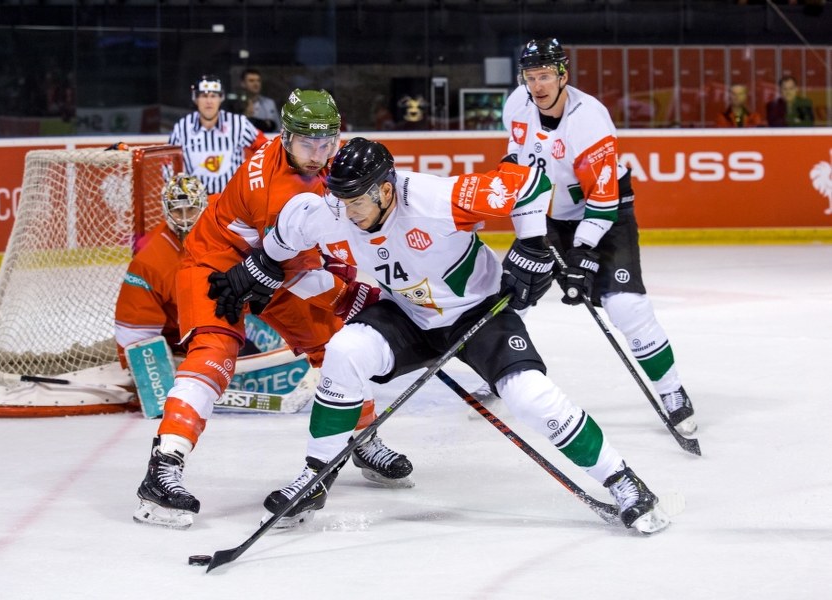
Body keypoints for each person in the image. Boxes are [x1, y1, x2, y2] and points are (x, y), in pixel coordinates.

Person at [216, 137, 670, 533]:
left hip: (478, 312)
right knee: (345, 350)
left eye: (357, 202)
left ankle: (621, 479)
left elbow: (529, 180)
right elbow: (288, 231)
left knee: (531, 397)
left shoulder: (435, 198)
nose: (348, 214)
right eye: (341, 201)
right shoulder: (336, 208)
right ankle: (315, 476)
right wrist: (254, 270)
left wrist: (531, 244)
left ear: (387, 190)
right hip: (408, 314)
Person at [134, 90, 414, 530]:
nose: (319, 155)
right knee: (214, 352)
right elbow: (300, 272)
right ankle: (163, 467)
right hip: (218, 266)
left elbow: (295, 260)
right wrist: (357, 298)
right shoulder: (279, 189)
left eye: (327, 143)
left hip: (271, 266)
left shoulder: (322, 161)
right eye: (308, 145)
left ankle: (362, 437)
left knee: (338, 344)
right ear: (285, 137)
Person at [501, 38, 696, 436]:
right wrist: (530, 235)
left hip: (605, 213)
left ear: (563, 75)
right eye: (530, 76)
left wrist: (581, 252)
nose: (537, 86)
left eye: (545, 76)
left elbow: (603, 200)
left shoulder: (589, 119)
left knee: (626, 307)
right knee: (511, 293)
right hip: (549, 213)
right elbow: (517, 167)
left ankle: (672, 390)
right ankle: (497, 370)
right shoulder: (516, 105)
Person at [115, 174, 208, 365]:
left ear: (203, 205)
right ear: (166, 211)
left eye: (190, 209)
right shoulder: (151, 261)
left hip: (221, 327)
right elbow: (135, 327)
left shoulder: (223, 227)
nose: (184, 220)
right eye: (177, 211)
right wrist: (146, 371)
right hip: (181, 344)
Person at [168, 74, 268, 195]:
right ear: (196, 98)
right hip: (195, 203)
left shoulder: (238, 123)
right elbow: (168, 164)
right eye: (204, 96)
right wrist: (177, 189)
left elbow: (266, 148)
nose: (209, 101)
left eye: (213, 96)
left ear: (221, 98)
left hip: (231, 201)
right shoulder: (182, 128)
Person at [232, 68, 281, 133]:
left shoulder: (269, 103)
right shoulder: (236, 105)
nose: (256, 84)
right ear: (243, 83)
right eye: (251, 81)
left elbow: (277, 127)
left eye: (258, 80)